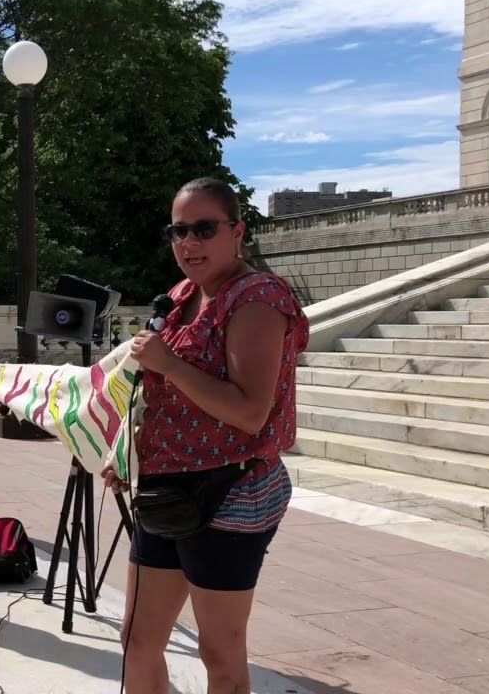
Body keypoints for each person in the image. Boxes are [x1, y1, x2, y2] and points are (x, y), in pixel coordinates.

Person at [101, 177, 309, 694]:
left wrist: (169, 363)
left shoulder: (257, 298)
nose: (189, 243)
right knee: (137, 639)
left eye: (204, 228)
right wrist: (125, 445)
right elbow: (155, 391)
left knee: (219, 654)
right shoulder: (179, 297)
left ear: (237, 231)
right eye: (178, 231)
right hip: (168, 489)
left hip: (231, 492)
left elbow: (249, 412)